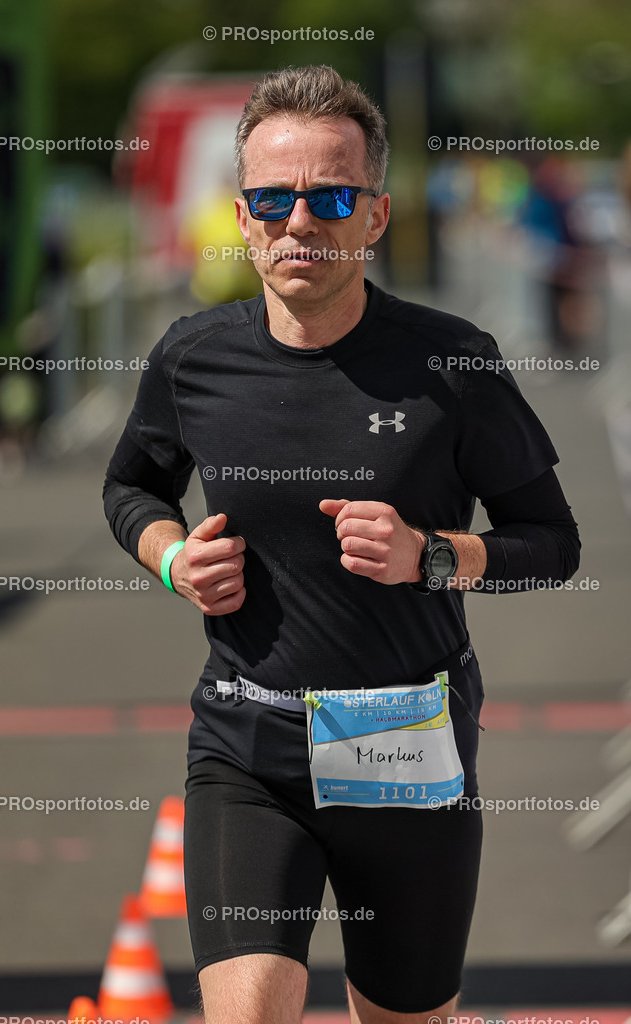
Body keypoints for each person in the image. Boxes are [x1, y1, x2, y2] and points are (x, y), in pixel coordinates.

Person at [103, 65, 580, 1024]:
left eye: (328, 199)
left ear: (375, 216)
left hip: (406, 745)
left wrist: (432, 555)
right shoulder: (194, 357)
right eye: (272, 199)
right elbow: (131, 487)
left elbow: (553, 542)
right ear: (241, 217)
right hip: (247, 744)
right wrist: (171, 558)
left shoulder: (452, 361)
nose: (298, 223)